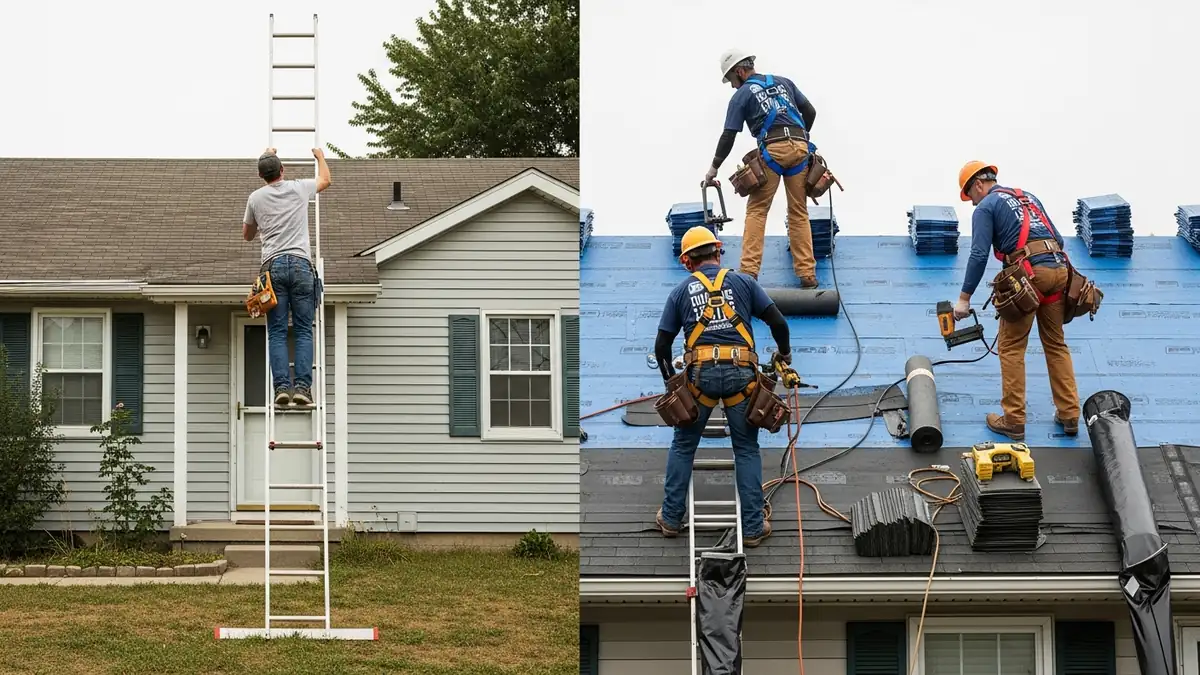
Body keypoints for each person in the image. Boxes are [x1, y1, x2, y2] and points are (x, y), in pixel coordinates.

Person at [653, 225, 793, 548]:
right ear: (718, 252)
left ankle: (671, 518)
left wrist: (672, 386)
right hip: (742, 376)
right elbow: (779, 323)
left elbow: (662, 347)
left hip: (700, 377)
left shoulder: (679, 293)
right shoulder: (744, 282)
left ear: (687, 262)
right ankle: (754, 527)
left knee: (683, 445)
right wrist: (784, 355)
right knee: (746, 448)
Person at [954, 161, 1080, 440]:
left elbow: (978, 254)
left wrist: (964, 299)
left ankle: (1013, 420)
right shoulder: (1028, 197)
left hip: (1030, 277)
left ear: (978, 185)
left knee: (1011, 346)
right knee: (1056, 344)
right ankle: (1070, 414)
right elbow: (1058, 238)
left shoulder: (986, 206)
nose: (972, 203)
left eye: (970, 196)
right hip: (1059, 270)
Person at [706, 48, 819, 287]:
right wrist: (801, 138)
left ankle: (749, 272)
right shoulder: (784, 82)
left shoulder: (742, 95)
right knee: (799, 212)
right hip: (800, 150)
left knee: (757, 210)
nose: (733, 86)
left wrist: (714, 168)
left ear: (739, 71)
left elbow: (728, 135)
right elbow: (810, 111)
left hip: (772, 152)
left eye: (732, 80)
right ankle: (807, 275)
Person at [242, 147, 331, 407]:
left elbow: (246, 235)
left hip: (273, 269)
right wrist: (320, 157)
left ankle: (281, 387)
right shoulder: (298, 188)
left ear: (261, 176)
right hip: (302, 266)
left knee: (277, 332)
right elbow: (326, 180)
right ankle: (302, 388)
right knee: (304, 330)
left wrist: (267, 153)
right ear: (283, 170)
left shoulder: (255, 198)